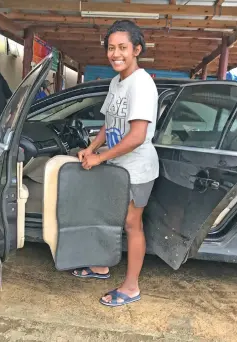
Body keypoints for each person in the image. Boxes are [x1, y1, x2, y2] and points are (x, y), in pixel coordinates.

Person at [73, 20, 159, 307]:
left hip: (136, 168)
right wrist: (91, 147)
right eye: (111, 48)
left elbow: (136, 136)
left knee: (131, 224)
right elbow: (108, 123)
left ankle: (132, 287)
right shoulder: (116, 82)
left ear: (136, 49)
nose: (115, 53)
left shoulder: (142, 83)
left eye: (122, 47)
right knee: (110, 218)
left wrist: (99, 158)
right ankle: (100, 266)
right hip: (117, 165)